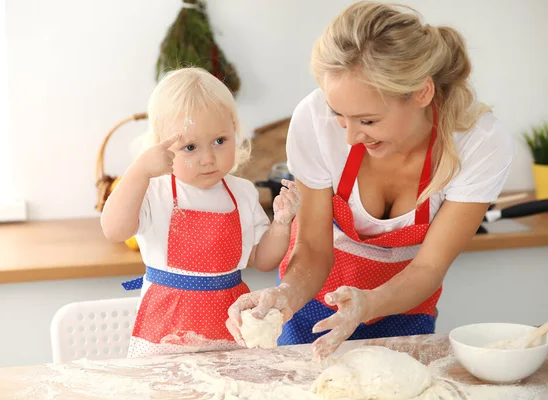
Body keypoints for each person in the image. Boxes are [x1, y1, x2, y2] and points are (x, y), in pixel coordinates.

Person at [226, 1, 514, 361]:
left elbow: (429, 267)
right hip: (312, 306)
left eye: (368, 121)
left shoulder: (479, 141)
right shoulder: (313, 120)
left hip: (406, 310)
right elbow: (314, 248)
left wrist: (368, 304)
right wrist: (286, 294)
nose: (349, 138)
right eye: (339, 115)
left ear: (422, 93)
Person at [100, 67, 301, 357]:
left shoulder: (242, 193)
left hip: (229, 324)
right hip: (166, 331)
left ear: (235, 131)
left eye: (220, 141)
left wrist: (282, 225)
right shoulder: (155, 191)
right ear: (161, 147)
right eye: (190, 147)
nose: (208, 158)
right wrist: (140, 170)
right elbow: (114, 230)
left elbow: (263, 260)